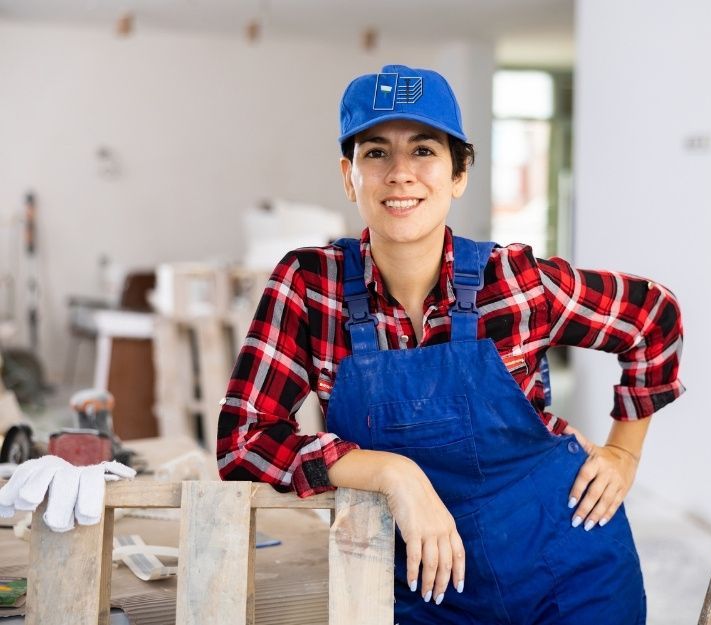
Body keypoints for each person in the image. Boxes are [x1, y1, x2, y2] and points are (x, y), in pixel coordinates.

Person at [218, 63, 685, 624]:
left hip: (570, 570)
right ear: (349, 176)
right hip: (422, 587)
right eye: (375, 153)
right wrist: (392, 473)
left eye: (423, 151)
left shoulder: (512, 282)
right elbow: (243, 441)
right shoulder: (310, 286)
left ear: (458, 173)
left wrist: (623, 452)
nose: (400, 174)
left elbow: (653, 316)